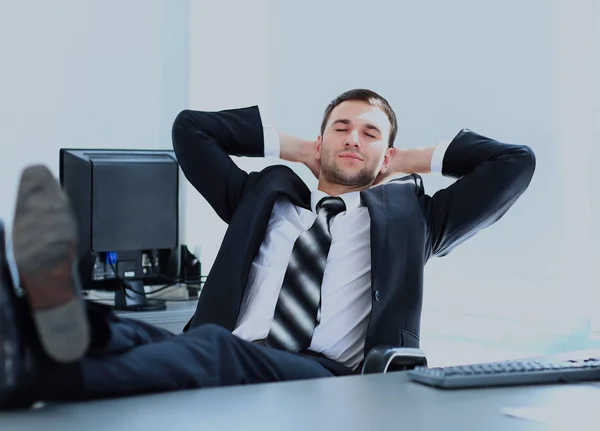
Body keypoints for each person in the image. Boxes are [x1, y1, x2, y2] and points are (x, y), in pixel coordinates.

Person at [0, 89, 535, 409]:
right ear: (318, 141)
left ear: (387, 152)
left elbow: (515, 163)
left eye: (369, 133)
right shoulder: (263, 198)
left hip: (324, 378)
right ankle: (31, 328)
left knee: (216, 349)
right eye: (340, 128)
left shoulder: (414, 220)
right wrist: (299, 149)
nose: (352, 138)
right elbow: (192, 131)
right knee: (122, 331)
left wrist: (411, 159)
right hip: (226, 347)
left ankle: (34, 376)